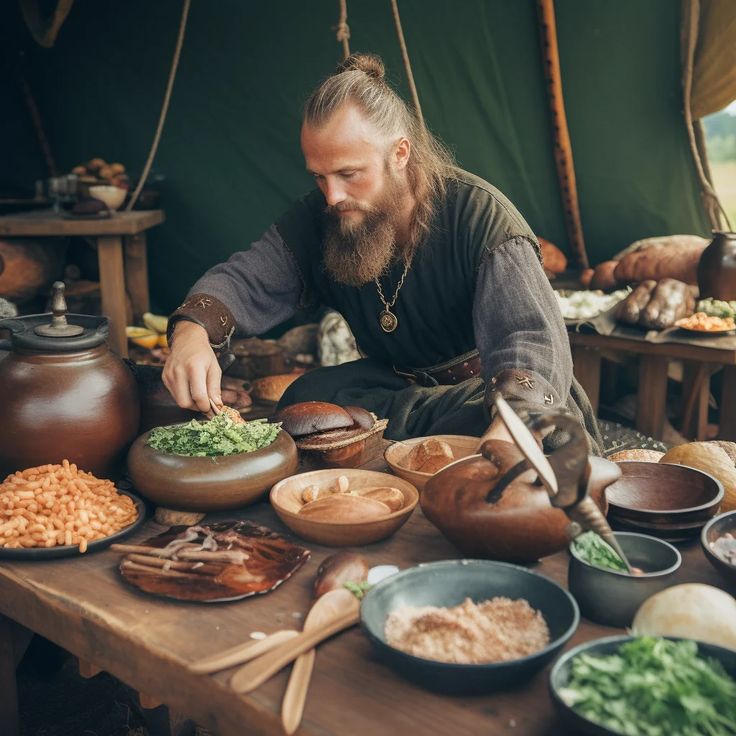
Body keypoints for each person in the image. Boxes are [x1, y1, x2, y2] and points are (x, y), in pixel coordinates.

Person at [163, 53, 601, 452]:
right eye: (319, 176)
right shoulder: (322, 216)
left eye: (349, 174)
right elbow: (244, 278)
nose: (332, 196)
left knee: (537, 434)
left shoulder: (480, 216)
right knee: (303, 402)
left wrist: (508, 430)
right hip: (394, 386)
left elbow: (531, 340)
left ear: (400, 154)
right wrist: (191, 335)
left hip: (483, 393)